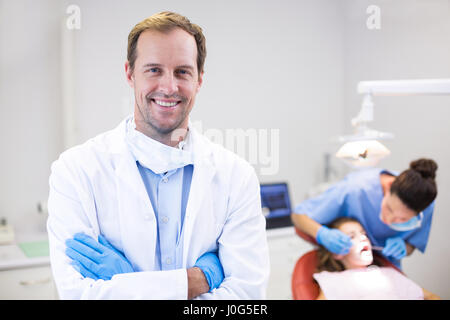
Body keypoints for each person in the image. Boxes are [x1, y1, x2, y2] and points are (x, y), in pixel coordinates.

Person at [47, 11, 270, 299]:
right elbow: (77, 294)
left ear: (199, 79)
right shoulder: (76, 170)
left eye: (182, 72)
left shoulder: (236, 176)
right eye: (153, 70)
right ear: (130, 73)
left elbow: (246, 298)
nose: (168, 87)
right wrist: (196, 281)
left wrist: (128, 283)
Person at [291, 158, 438, 269]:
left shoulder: (425, 204)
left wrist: (404, 249)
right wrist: (323, 234)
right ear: (388, 186)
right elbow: (298, 216)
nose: (389, 221)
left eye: (402, 219)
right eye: (389, 209)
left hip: (387, 268)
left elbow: (412, 243)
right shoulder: (356, 188)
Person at [312, 217, 440, 300]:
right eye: (351, 236)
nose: (363, 238)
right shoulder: (333, 280)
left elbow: (431, 296)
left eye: (363, 234)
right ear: (336, 253)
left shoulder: (388, 273)